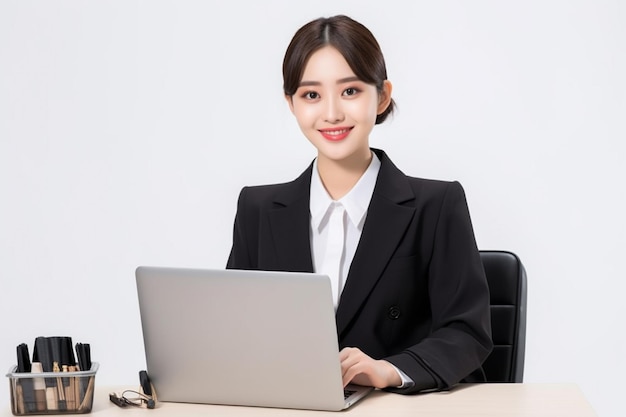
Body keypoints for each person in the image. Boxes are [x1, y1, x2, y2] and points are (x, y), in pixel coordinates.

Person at [227, 15, 492, 394]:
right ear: (291, 103)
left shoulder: (437, 205)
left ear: (382, 96)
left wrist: (390, 370)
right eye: (311, 95)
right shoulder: (257, 209)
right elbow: (235, 330)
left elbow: (468, 332)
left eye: (350, 91)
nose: (332, 113)